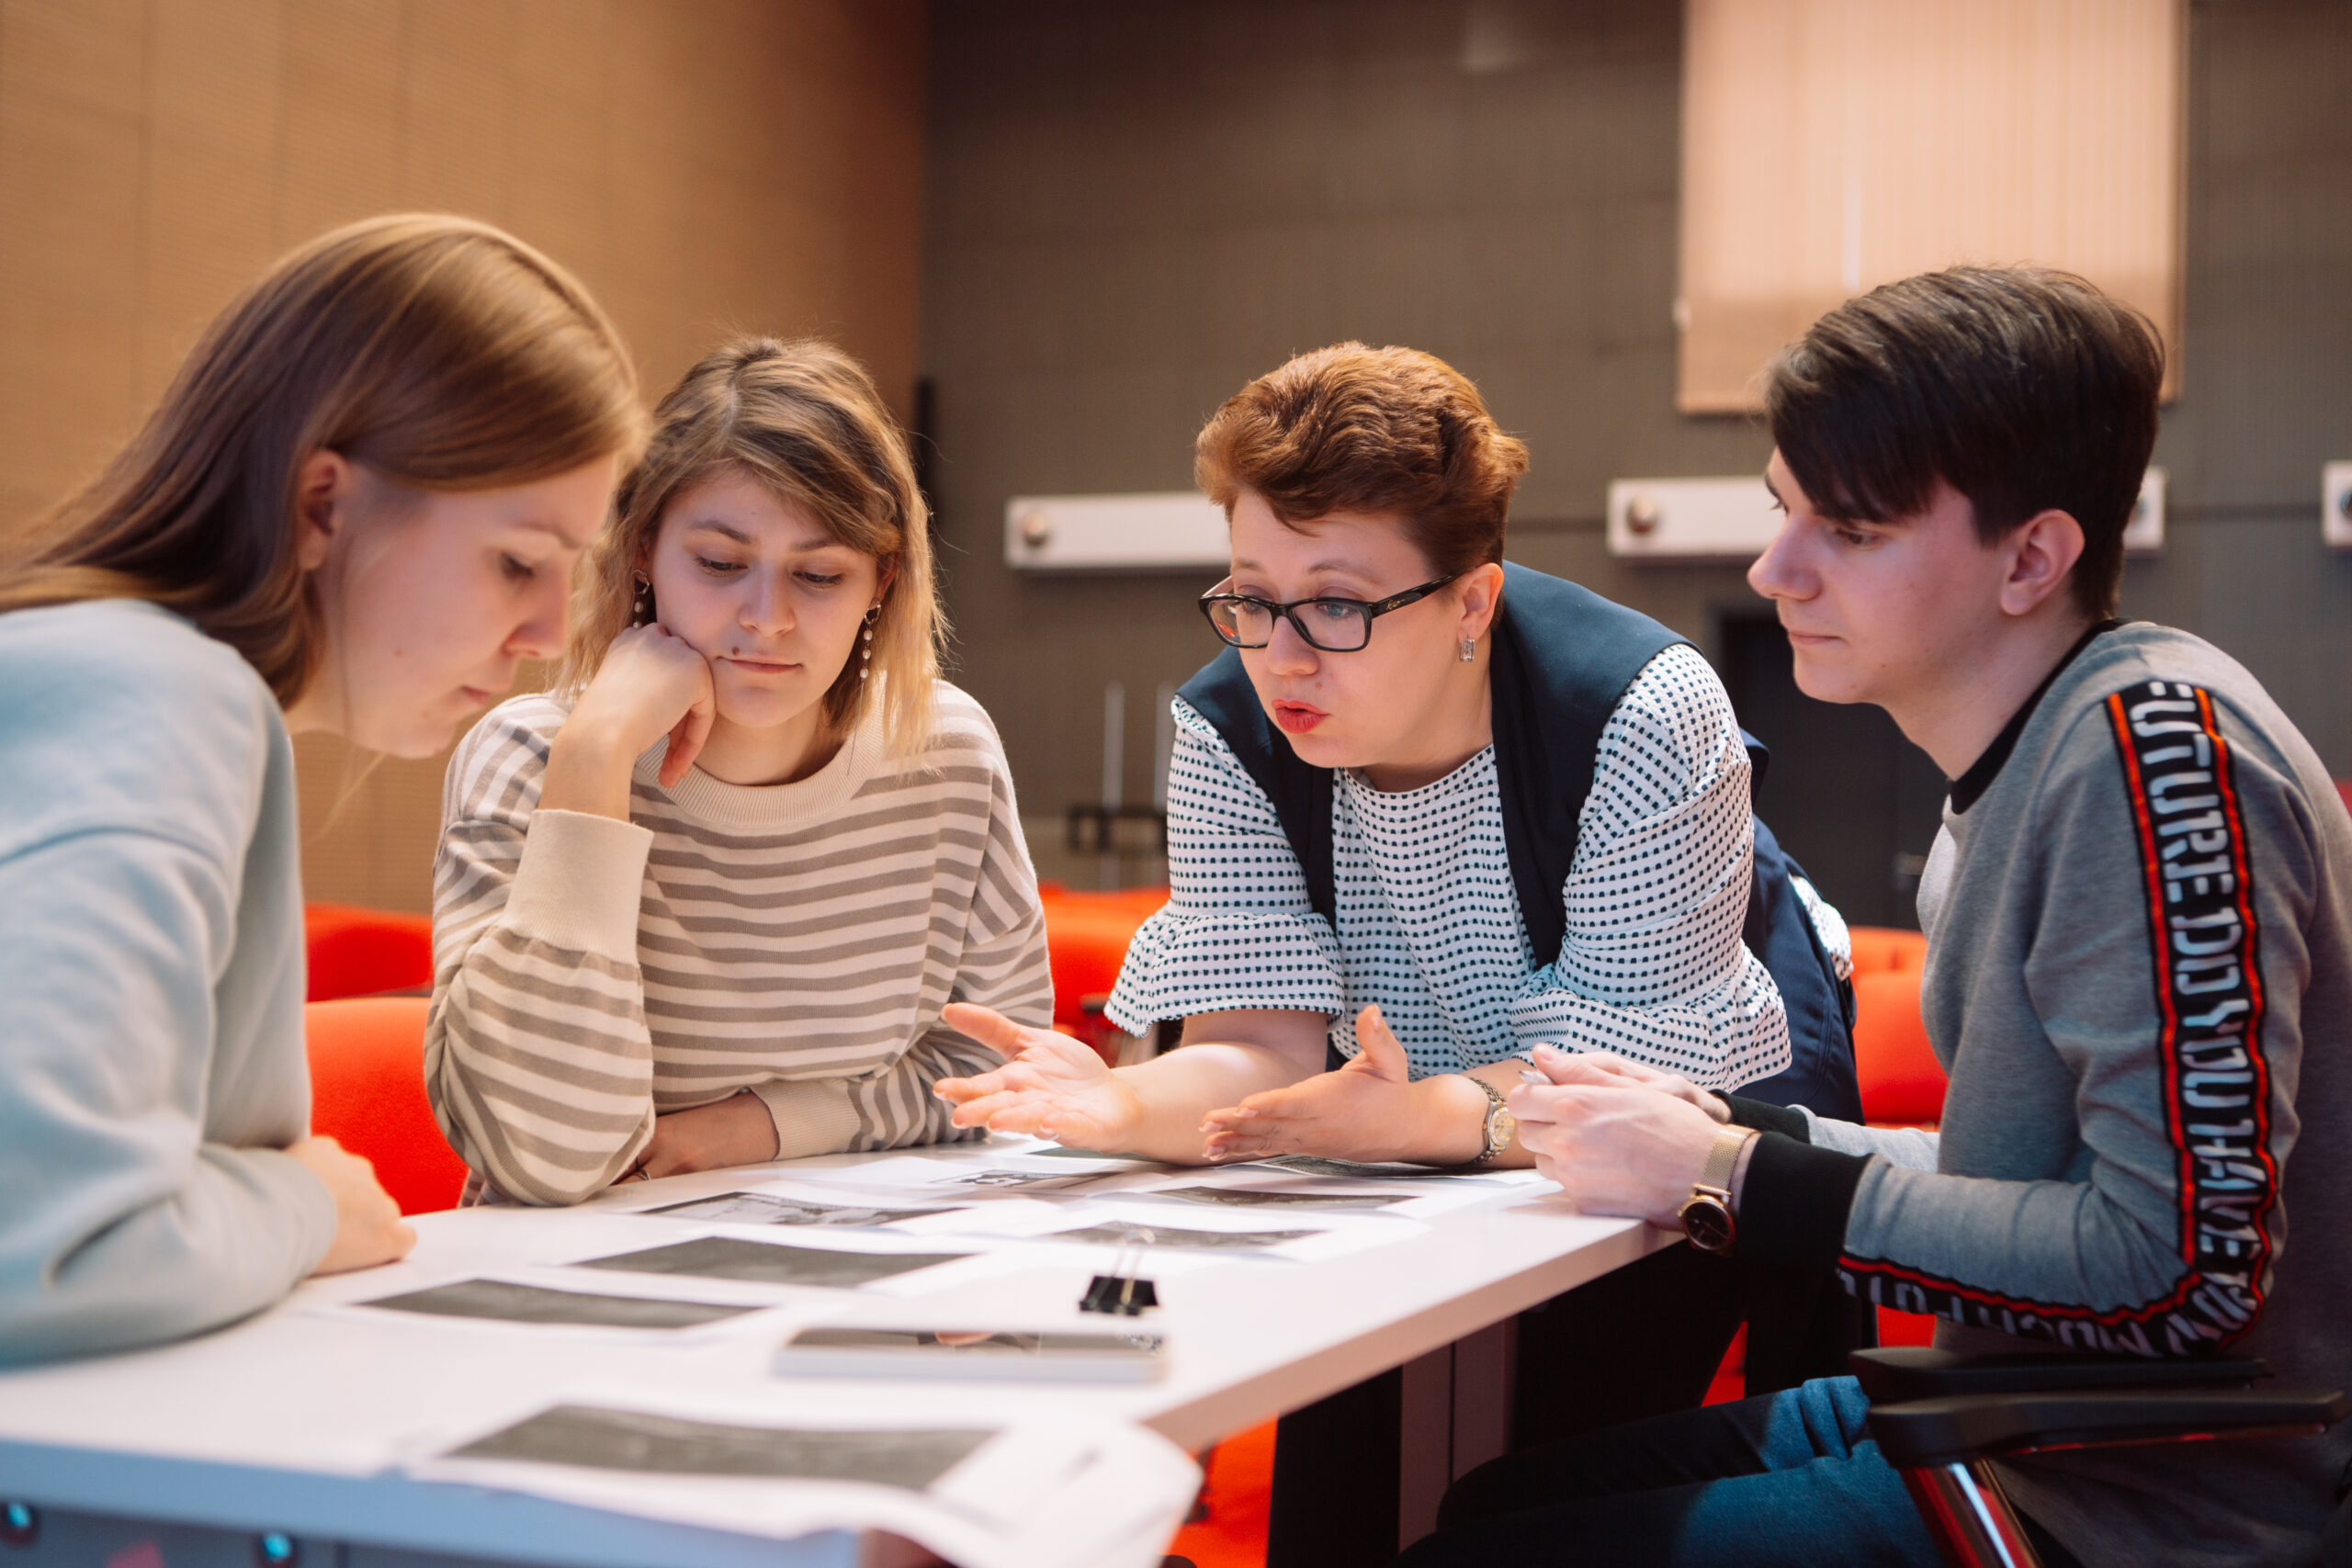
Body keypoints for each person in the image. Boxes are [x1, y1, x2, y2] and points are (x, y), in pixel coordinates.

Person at [1407, 267, 2352, 1568]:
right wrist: (1730, 1127)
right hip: (2027, 1426)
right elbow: (2026, 1177)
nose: (1773, 570)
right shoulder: (2046, 757)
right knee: (1477, 1506)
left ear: (2033, 557)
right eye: (1783, 511)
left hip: (2144, 1500)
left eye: (1847, 531)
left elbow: (2176, 1272)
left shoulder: (2150, 761)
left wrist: (1729, 1175)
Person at [935, 343, 1862, 1566]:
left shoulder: (1638, 707)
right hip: (1400, 1111)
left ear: (1471, 601)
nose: (1283, 656)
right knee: (1342, 1501)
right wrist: (1123, 1101)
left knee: (1539, 1500)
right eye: (1251, 596)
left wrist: (1422, 1115)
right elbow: (1255, 1049)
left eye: (1337, 605)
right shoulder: (1227, 727)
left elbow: (1625, 1090)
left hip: (1669, 1095)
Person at [0, 215, 645, 1362]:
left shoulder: (137, 683)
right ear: (321, 508)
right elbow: (47, 1248)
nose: (551, 633)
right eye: (516, 562)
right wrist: (305, 1205)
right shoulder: (158, 697)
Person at [425, 336, 1053, 1207]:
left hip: (853, 1253)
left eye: (820, 574)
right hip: (583, 1270)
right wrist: (596, 758)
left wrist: (763, 1127)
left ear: (882, 580)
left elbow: (1003, 1073)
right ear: (643, 549)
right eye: (720, 564)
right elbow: (545, 1155)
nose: (767, 618)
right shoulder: (536, 757)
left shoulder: (946, 753)